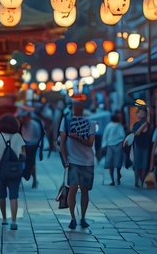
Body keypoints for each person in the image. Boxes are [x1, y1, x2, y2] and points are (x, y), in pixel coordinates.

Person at [59, 98, 96, 229]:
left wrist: (77, 138)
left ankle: (83, 217)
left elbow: (90, 142)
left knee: (85, 190)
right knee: (73, 188)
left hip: (87, 161)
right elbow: (62, 141)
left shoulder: (90, 121)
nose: (77, 106)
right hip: (73, 161)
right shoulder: (67, 120)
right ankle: (73, 217)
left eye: (79, 104)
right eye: (75, 104)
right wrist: (65, 158)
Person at [0, 114, 27, 230]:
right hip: (14, 170)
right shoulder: (18, 137)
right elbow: (23, 155)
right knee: (14, 196)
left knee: (2, 195)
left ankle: (4, 219)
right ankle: (14, 221)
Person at [130, 101, 155, 188]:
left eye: (143, 112)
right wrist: (144, 124)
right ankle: (136, 180)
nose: (141, 114)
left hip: (147, 146)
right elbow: (136, 133)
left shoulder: (150, 125)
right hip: (138, 145)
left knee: (144, 164)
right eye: (139, 112)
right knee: (137, 164)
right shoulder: (136, 124)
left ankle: (142, 180)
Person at [19, 109, 44, 188]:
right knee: (23, 161)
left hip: (33, 145)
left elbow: (39, 135)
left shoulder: (35, 124)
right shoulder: (22, 125)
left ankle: (34, 179)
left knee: (31, 162)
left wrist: (35, 144)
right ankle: (26, 176)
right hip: (25, 144)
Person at [102, 112, 126, 185]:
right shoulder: (120, 126)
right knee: (118, 163)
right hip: (118, 145)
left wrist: (103, 146)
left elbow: (105, 136)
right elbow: (123, 135)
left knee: (110, 164)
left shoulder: (108, 126)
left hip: (110, 146)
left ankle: (112, 180)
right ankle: (118, 175)